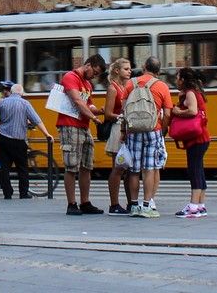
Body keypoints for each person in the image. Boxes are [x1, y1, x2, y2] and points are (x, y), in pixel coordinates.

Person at [124, 57, 176, 218]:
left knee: (134, 170)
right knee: (149, 169)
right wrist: (163, 128)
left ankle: (134, 205)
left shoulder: (130, 84)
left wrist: (125, 130)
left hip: (133, 130)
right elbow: (168, 113)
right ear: (158, 70)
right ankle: (147, 206)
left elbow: (124, 109)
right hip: (154, 130)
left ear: (144, 66)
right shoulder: (162, 86)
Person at [56, 52, 107, 215]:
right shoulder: (70, 77)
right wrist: (93, 117)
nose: (94, 76)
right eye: (95, 72)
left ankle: (85, 202)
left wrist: (98, 111)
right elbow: (78, 101)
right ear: (88, 65)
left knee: (86, 165)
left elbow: (88, 104)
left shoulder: (87, 84)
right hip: (69, 125)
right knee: (71, 166)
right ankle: (71, 204)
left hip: (83, 126)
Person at [0, 83, 53, 199]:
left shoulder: (2, 102)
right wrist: (47, 134)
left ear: (11, 92)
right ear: (21, 93)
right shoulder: (25, 104)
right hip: (19, 141)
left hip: (3, 139)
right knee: (22, 168)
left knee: (5, 167)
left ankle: (7, 193)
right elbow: (37, 120)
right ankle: (23, 193)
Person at [171, 65, 210, 219]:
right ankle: (200, 206)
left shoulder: (190, 93)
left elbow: (193, 111)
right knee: (199, 170)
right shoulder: (195, 92)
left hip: (197, 138)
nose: (176, 80)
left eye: (177, 77)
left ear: (183, 79)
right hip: (202, 138)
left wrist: (178, 111)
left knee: (194, 171)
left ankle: (193, 207)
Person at [102, 57, 138, 214]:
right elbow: (108, 113)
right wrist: (122, 116)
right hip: (118, 129)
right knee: (118, 168)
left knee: (129, 168)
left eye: (130, 69)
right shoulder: (113, 88)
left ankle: (131, 203)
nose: (130, 71)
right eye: (126, 69)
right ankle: (114, 204)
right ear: (117, 71)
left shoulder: (127, 86)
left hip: (127, 128)